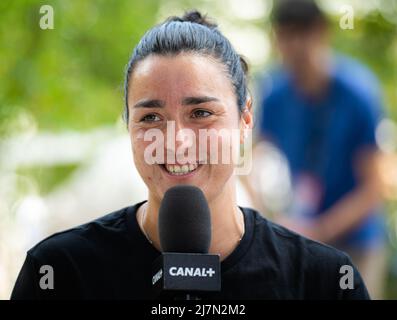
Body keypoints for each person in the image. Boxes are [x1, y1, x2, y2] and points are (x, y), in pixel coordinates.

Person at [11, 10, 369, 300]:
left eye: (200, 113)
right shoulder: (61, 272)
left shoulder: (323, 281)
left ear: (245, 119)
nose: (176, 141)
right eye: (150, 117)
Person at [256, 0, 387, 298]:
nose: (294, 47)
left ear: (322, 33)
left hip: (355, 243)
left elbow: (375, 186)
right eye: (285, 36)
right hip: (301, 240)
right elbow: (250, 161)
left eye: (302, 35)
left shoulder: (358, 94)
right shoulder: (275, 95)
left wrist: (321, 229)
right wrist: (268, 219)